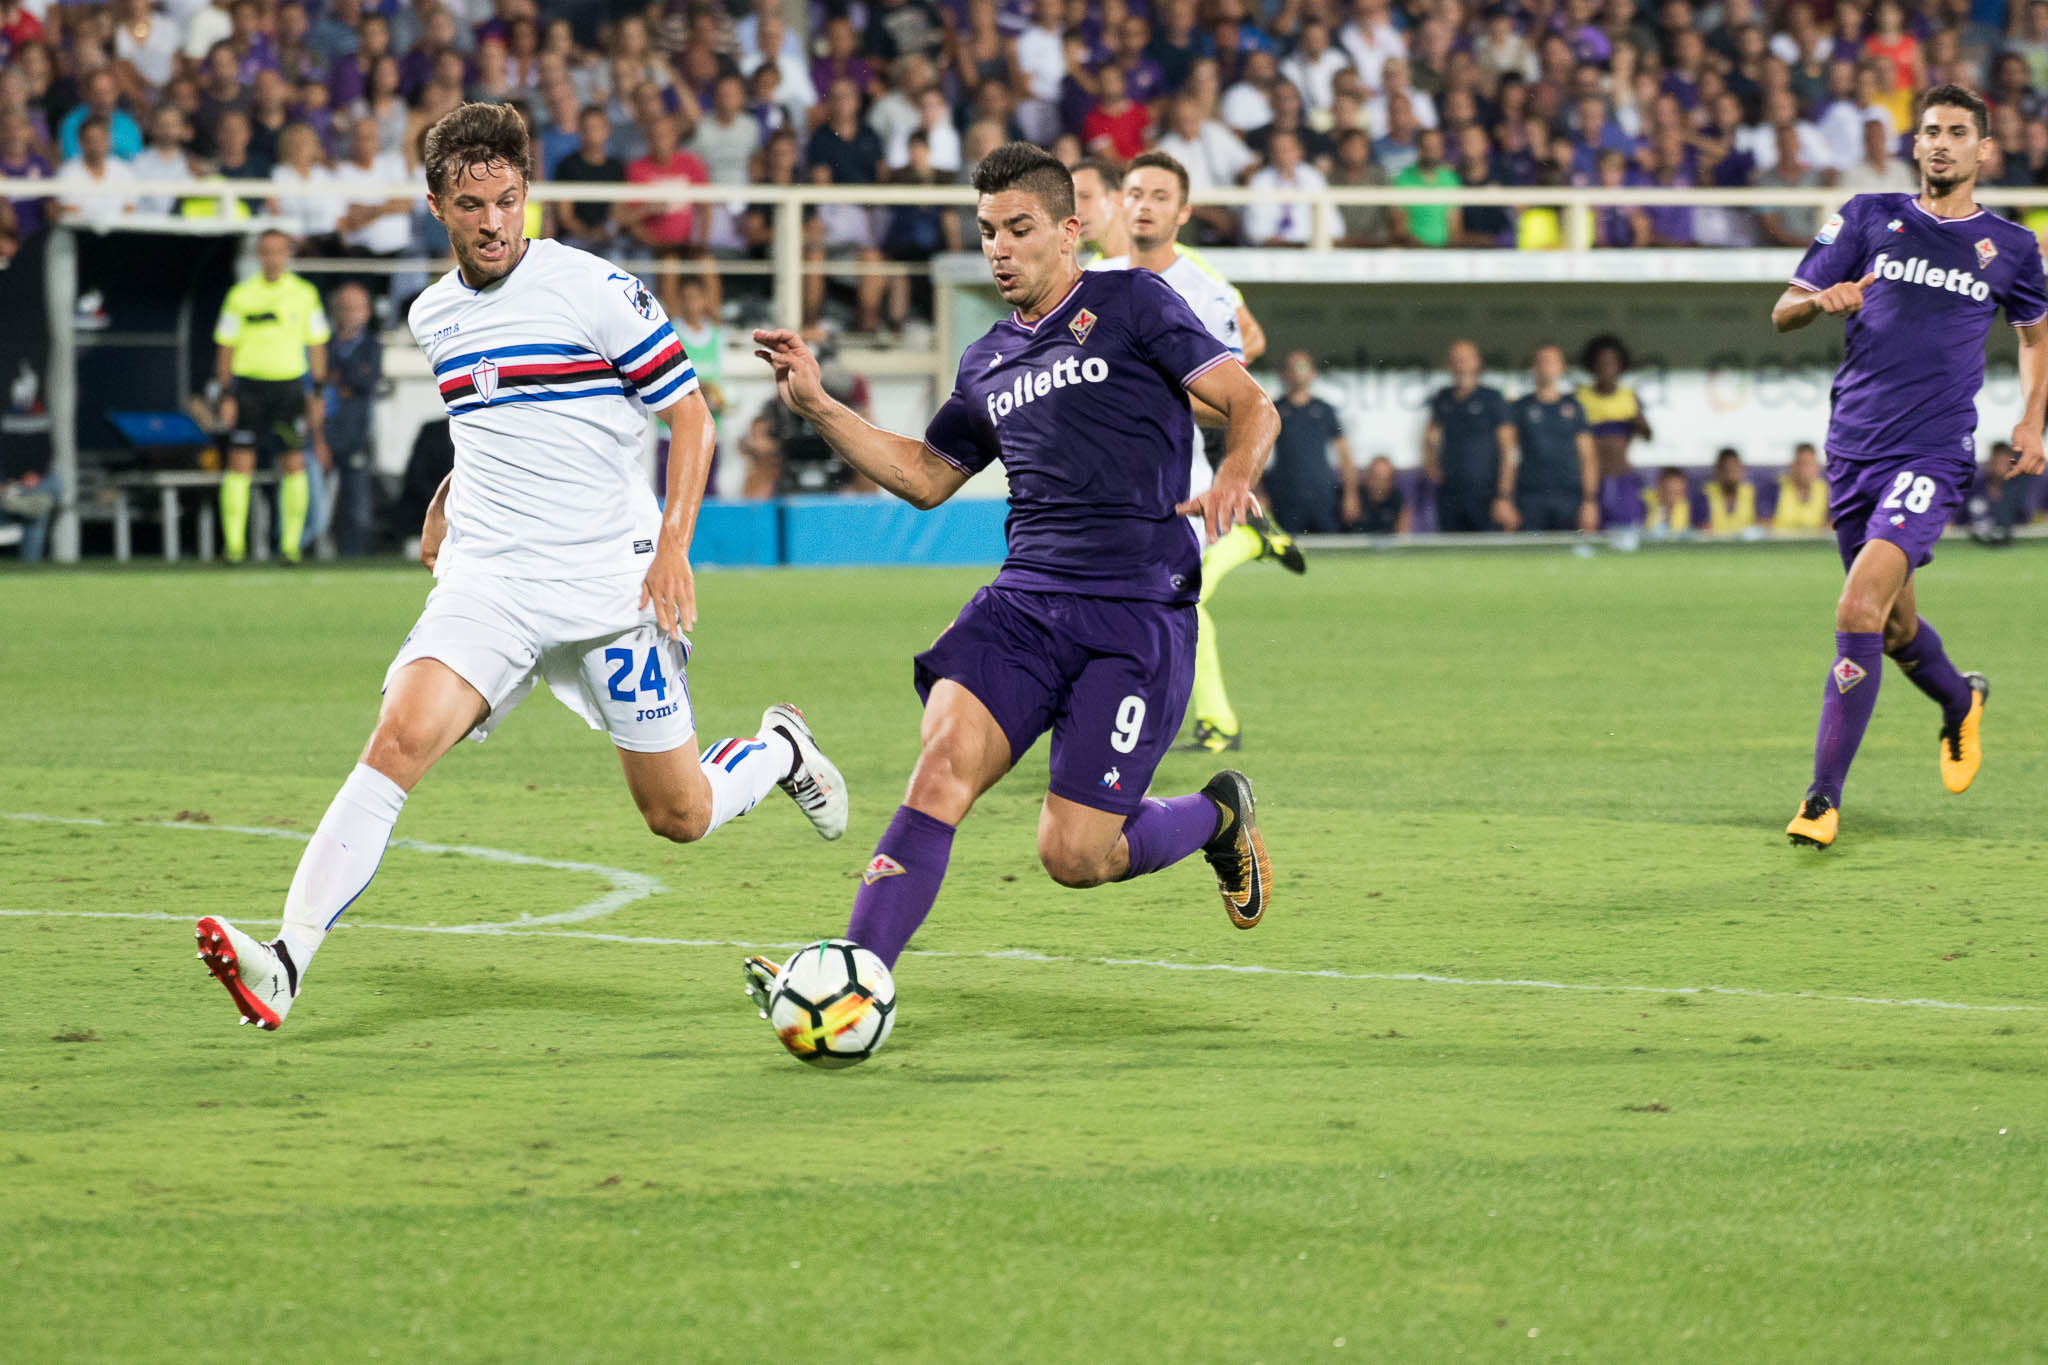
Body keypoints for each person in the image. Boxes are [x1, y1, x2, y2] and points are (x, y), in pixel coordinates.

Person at [194, 102, 848, 1032]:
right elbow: (494, 423)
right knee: (395, 742)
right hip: (491, 582)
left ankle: (779, 749)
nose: (495, 221)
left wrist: (673, 550)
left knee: (680, 814)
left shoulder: (594, 290)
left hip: (610, 591)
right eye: (473, 205)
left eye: (508, 200)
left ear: (526, 195)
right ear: (436, 207)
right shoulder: (433, 315)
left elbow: (690, 414)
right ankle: (287, 959)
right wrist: (446, 497)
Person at [743, 142, 1281, 1017]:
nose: (999, 247)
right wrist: (821, 406)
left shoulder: (1133, 301)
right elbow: (925, 476)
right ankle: (856, 975)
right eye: (987, 230)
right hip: (1024, 603)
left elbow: (1253, 403)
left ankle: (1218, 815)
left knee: (1076, 855)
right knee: (941, 764)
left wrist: (1233, 476)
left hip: (1135, 613)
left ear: (1069, 231)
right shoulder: (986, 360)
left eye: (1018, 228)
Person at [1773, 84, 2045, 849]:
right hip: (1853, 447)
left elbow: (2033, 334)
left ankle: (1821, 801)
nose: (1941, 144)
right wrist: (1821, 300)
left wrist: (2030, 419)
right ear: (1915, 143)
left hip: (1933, 451)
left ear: (1983, 150)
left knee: (1857, 610)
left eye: (1958, 133)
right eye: (1930, 131)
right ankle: (1961, 701)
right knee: (1893, 628)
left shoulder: (2014, 247)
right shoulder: (1867, 216)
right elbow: (1782, 309)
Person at [1091, 150, 1294, 756]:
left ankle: (1184, 728)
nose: (1143, 206)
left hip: (1176, 484)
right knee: (1126, 605)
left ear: (1182, 213)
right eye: (1134, 194)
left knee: (1172, 603)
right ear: (1120, 203)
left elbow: (1237, 395)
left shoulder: (1200, 291)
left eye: (1158, 196)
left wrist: (1152, 393)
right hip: (1105, 483)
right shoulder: (1093, 283)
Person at [211, 229, 330, 565]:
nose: (273, 258)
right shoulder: (241, 295)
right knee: (239, 465)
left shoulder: (304, 295)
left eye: (279, 251)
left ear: (287, 254)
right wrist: (226, 393)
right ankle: (234, 547)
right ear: (258, 255)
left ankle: (290, 546)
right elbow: (225, 346)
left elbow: (317, 343)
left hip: (288, 389)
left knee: (293, 463)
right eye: (266, 251)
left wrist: (317, 392)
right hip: (248, 389)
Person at [1423, 339, 1517, 532]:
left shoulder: (1492, 398)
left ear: (1477, 363)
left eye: (1465, 359)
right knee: (1450, 554)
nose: (1460, 365)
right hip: (1450, 493)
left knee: (1487, 555)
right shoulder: (1442, 398)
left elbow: (1508, 449)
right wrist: (1430, 461)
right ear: (1448, 365)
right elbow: (1429, 437)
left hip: (1486, 493)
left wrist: (1504, 496)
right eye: (1455, 360)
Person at [1510, 344, 1599, 532]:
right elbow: (1508, 454)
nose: (1547, 366)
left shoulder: (1574, 407)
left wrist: (1590, 501)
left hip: (1568, 496)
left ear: (1561, 368)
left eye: (1552, 361)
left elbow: (1588, 457)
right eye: (1542, 361)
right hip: (1530, 496)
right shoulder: (1520, 407)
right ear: (1533, 367)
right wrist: (1505, 498)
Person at [323, 280, 383, 556]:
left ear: (367, 311)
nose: (348, 314)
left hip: (356, 433)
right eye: (343, 308)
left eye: (354, 308)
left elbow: (363, 381)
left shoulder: (371, 346)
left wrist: (338, 379)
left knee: (356, 501)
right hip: (324, 432)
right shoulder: (324, 344)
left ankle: (354, 554)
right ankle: (315, 549)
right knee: (320, 501)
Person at [1267, 350, 1354, 535]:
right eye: (1292, 367)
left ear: (1313, 373)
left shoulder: (1325, 410)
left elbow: (1344, 454)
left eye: (1302, 366)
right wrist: (1258, 492)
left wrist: (1351, 494)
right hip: (1286, 496)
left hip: (1322, 494)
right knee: (1288, 552)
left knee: (1331, 552)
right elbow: (1255, 452)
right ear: (1283, 373)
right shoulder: (1273, 409)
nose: (1297, 372)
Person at [1577, 334, 1652, 528]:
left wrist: (1639, 423)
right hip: (1592, 483)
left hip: (1622, 479)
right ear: (1592, 366)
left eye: (1611, 363)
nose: (1606, 369)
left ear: (1620, 367)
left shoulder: (1629, 398)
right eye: (1601, 363)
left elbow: (1648, 435)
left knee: (1627, 535)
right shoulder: (1580, 398)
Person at [1772, 442, 1831, 532]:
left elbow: (1831, 524)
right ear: (1792, 466)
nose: (1805, 470)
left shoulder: (1825, 490)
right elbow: (1764, 524)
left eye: (1810, 464)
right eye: (1802, 464)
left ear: (1817, 467)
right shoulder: (1776, 488)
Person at [1345, 455, 1410, 534]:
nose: (1380, 484)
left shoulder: (1397, 499)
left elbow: (1403, 536)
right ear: (1367, 477)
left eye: (1385, 479)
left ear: (1392, 481)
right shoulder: (1353, 499)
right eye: (1376, 478)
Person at [1704, 447, 1759, 534]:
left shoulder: (1753, 493)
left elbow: (1763, 524)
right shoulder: (1705, 494)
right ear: (1718, 470)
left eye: (1735, 470)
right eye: (1727, 470)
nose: (1731, 475)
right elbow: (1702, 528)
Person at [1642, 465, 1693, 534]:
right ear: (1659, 489)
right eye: (1670, 492)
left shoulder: (1691, 511)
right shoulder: (1643, 504)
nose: (1674, 498)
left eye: (1679, 493)